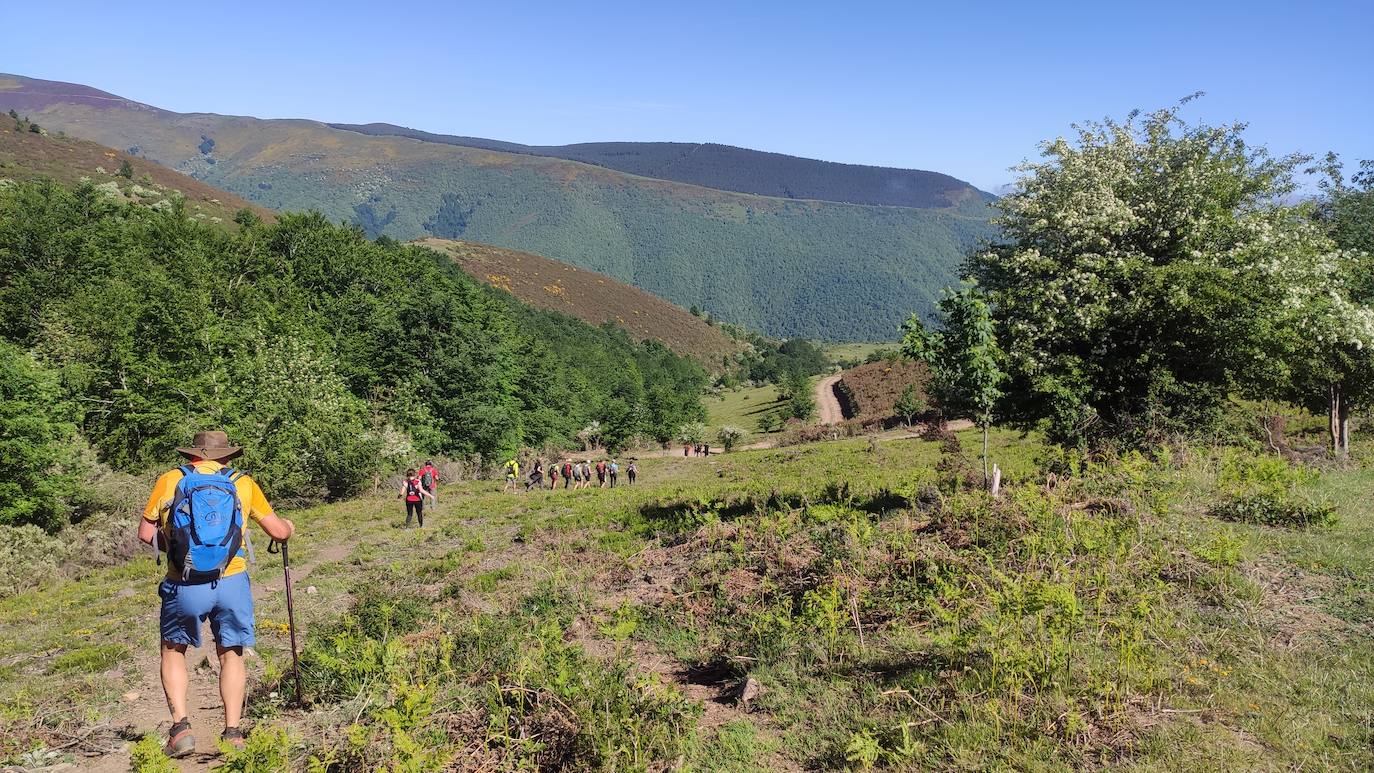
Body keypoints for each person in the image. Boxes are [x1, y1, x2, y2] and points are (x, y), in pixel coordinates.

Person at [138, 430, 295, 758]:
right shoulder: (243, 483)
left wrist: (178, 550)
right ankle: (233, 734)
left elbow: (145, 533)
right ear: (226, 455)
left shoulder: (170, 479)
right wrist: (289, 528)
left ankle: (181, 730)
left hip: (183, 582)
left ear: (194, 453)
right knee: (231, 653)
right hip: (231, 581)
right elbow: (279, 532)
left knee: (173, 650)